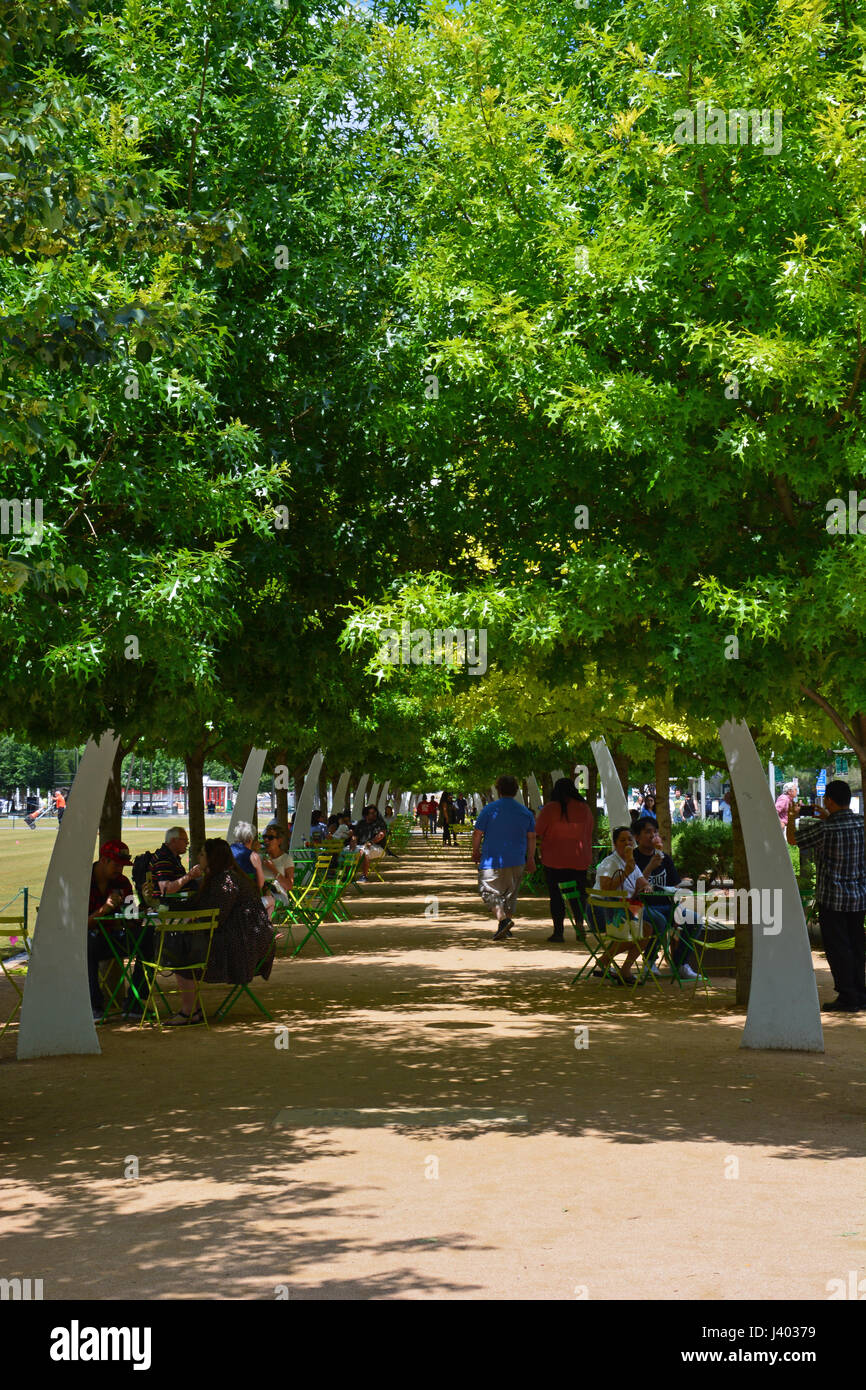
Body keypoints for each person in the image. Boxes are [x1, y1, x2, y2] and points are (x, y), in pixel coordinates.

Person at [166, 838, 275, 1025]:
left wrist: (188, 922)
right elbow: (198, 904)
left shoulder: (226, 880)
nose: (198, 857)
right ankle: (192, 1010)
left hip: (245, 945)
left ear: (212, 858)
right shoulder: (221, 878)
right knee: (184, 945)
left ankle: (189, 1011)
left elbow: (216, 916)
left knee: (182, 950)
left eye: (202, 854)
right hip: (244, 939)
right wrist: (165, 906)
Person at [787, 780, 866, 1012]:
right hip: (859, 897)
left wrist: (791, 817)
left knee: (838, 948)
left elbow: (793, 840)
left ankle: (848, 996)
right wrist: (827, 816)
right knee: (856, 945)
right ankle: (860, 992)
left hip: (832, 898)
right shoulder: (861, 824)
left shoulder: (825, 829)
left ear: (829, 801)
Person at [630, 818, 702, 979]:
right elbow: (633, 889)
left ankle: (680, 964)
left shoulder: (665, 858)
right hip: (640, 907)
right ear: (637, 837)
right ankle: (649, 961)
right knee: (659, 920)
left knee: (695, 919)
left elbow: (674, 887)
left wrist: (678, 904)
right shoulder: (633, 859)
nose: (653, 835)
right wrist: (650, 867)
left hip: (667, 906)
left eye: (655, 832)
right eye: (647, 832)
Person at [471, 775, 536, 941]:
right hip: (517, 859)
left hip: (491, 860)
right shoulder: (525, 812)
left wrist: (475, 851)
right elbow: (531, 837)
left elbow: (478, 833)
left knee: (488, 891)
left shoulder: (489, 809)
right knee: (510, 895)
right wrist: (531, 858)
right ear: (516, 791)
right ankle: (505, 928)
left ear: (498, 790)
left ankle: (503, 920)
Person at [590, 826, 656, 984]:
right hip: (603, 911)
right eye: (622, 840)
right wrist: (626, 872)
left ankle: (620, 966)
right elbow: (606, 889)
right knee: (644, 929)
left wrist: (647, 887)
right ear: (615, 844)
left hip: (622, 909)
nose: (627, 843)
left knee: (650, 926)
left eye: (630, 840)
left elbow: (644, 883)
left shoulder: (631, 862)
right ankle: (614, 964)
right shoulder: (609, 863)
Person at [533, 777, 594, 943]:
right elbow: (589, 831)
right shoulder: (585, 808)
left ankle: (558, 932)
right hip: (579, 860)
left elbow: (538, 830)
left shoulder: (550, 808)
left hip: (554, 859)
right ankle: (580, 923)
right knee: (578, 895)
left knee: (556, 896)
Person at [87, 840, 136, 1020]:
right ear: (103, 860)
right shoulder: (83, 881)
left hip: (114, 939)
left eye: (122, 866)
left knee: (147, 939)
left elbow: (133, 919)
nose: (120, 870)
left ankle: (135, 1003)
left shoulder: (122, 882)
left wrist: (145, 905)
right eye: (116, 865)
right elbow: (77, 927)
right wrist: (105, 909)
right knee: (86, 944)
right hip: (89, 941)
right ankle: (93, 1005)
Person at [150, 826, 203, 899]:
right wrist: (190, 875)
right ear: (173, 841)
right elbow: (166, 889)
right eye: (184, 840)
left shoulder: (173, 857)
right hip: (168, 904)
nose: (187, 843)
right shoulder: (163, 858)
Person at [353, 804, 388, 882]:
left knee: (364, 852)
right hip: (360, 846)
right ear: (366, 815)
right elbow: (355, 836)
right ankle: (349, 876)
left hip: (377, 847)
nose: (374, 814)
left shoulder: (380, 823)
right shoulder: (361, 823)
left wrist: (371, 842)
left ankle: (364, 876)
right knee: (346, 851)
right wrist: (353, 844)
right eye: (371, 813)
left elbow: (381, 835)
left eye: (375, 812)